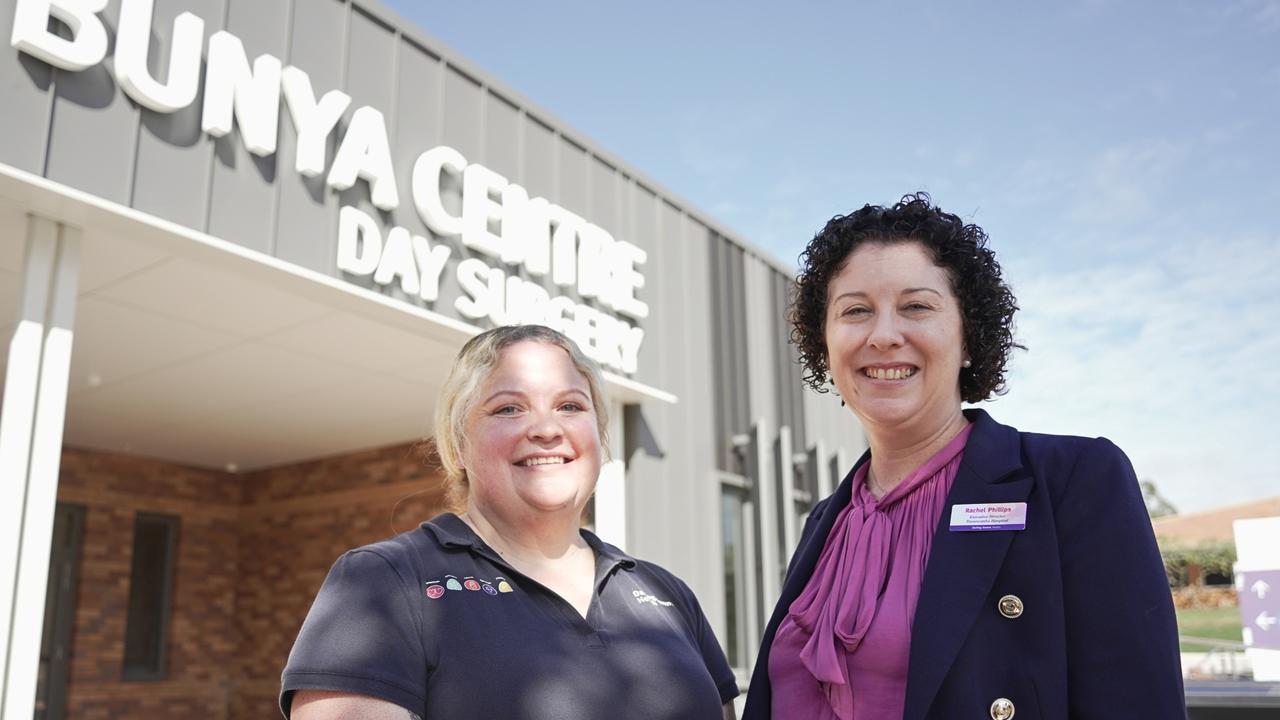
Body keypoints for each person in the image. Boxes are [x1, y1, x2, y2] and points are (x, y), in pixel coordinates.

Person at [743, 194, 1185, 720]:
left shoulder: (1074, 481)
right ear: (826, 345)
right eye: (855, 311)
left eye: (917, 307)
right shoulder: (827, 520)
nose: (883, 335)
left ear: (968, 338)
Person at [281, 325, 739, 720]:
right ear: (457, 446)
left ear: (598, 437)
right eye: (508, 408)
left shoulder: (667, 593)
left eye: (570, 406)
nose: (546, 428)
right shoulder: (386, 580)